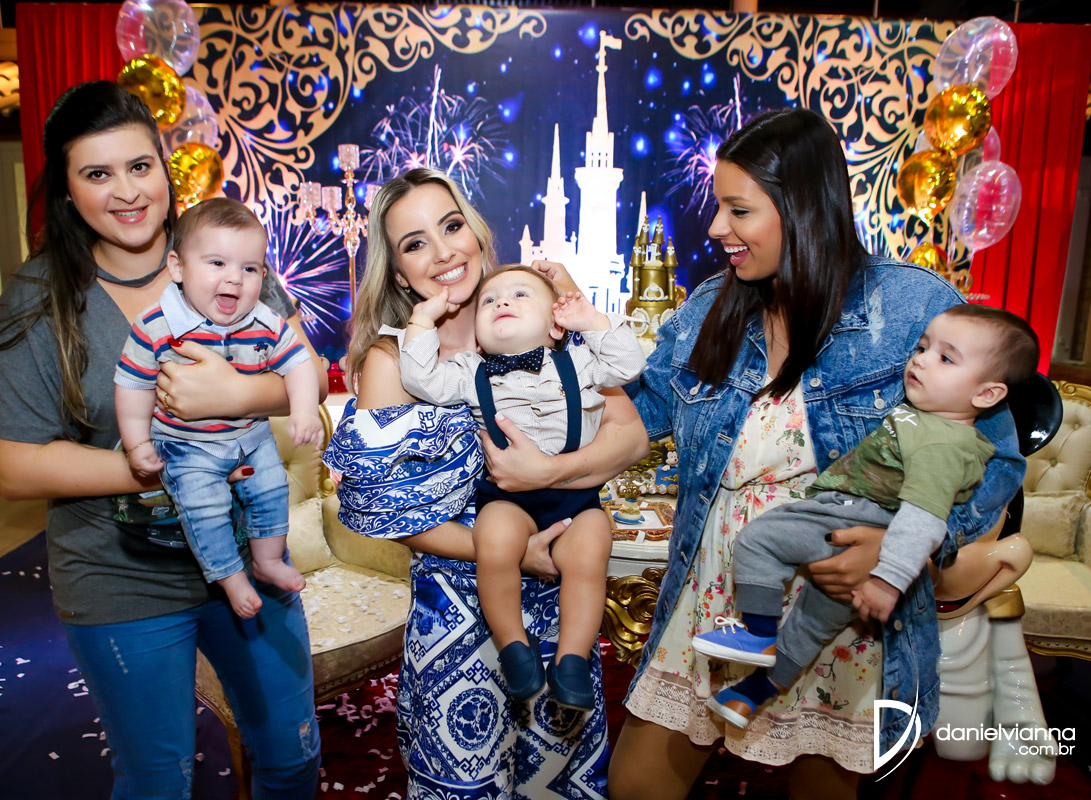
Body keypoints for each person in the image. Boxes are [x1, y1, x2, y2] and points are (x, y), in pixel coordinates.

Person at [607, 108, 1026, 800]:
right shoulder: (712, 305)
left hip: (840, 613)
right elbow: (641, 411)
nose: (715, 228)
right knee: (636, 785)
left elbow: (997, 461)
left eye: (738, 209)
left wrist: (902, 548)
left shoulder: (913, 305)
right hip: (718, 594)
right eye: (719, 206)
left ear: (802, 208)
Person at [0, 81, 322, 798]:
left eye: (140, 166)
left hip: (250, 559)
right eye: (96, 173)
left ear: (165, 169)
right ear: (67, 190)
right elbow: (14, 466)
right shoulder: (39, 298)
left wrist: (236, 395)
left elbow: (307, 373)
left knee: (291, 759)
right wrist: (176, 467)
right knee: (158, 783)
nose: (127, 191)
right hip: (119, 576)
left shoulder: (222, 255)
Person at [322, 167, 648, 797]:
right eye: (415, 243)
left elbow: (630, 437)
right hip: (458, 613)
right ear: (398, 272)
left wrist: (549, 472)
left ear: (475, 232)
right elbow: (390, 515)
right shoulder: (395, 362)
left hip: (560, 603)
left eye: (451, 227)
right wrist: (512, 551)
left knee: (556, 782)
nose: (443, 253)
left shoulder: (536, 322)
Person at [695, 305, 1039, 728]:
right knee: (810, 626)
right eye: (922, 348)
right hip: (866, 529)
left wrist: (886, 579)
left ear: (986, 395)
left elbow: (924, 518)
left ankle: (758, 633)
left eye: (946, 358)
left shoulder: (942, 444)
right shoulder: (931, 422)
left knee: (760, 539)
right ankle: (750, 695)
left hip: (854, 519)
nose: (921, 360)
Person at [398, 267, 645, 708]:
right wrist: (422, 319)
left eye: (519, 294)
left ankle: (572, 659)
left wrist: (591, 320)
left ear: (555, 325)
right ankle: (513, 646)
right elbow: (421, 379)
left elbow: (629, 364)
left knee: (591, 551)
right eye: (489, 300)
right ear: (477, 336)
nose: (502, 303)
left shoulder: (580, 361)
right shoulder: (469, 371)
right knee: (493, 542)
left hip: (575, 498)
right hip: (506, 497)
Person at [115, 197, 323, 619]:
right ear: (178, 268)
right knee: (204, 507)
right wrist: (137, 444)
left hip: (252, 438)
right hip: (187, 447)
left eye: (249, 269)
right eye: (217, 264)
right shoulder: (155, 325)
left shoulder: (264, 321)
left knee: (272, 490)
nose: (234, 279)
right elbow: (132, 386)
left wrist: (302, 410)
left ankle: (268, 560)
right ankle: (229, 576)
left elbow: (300, 363)